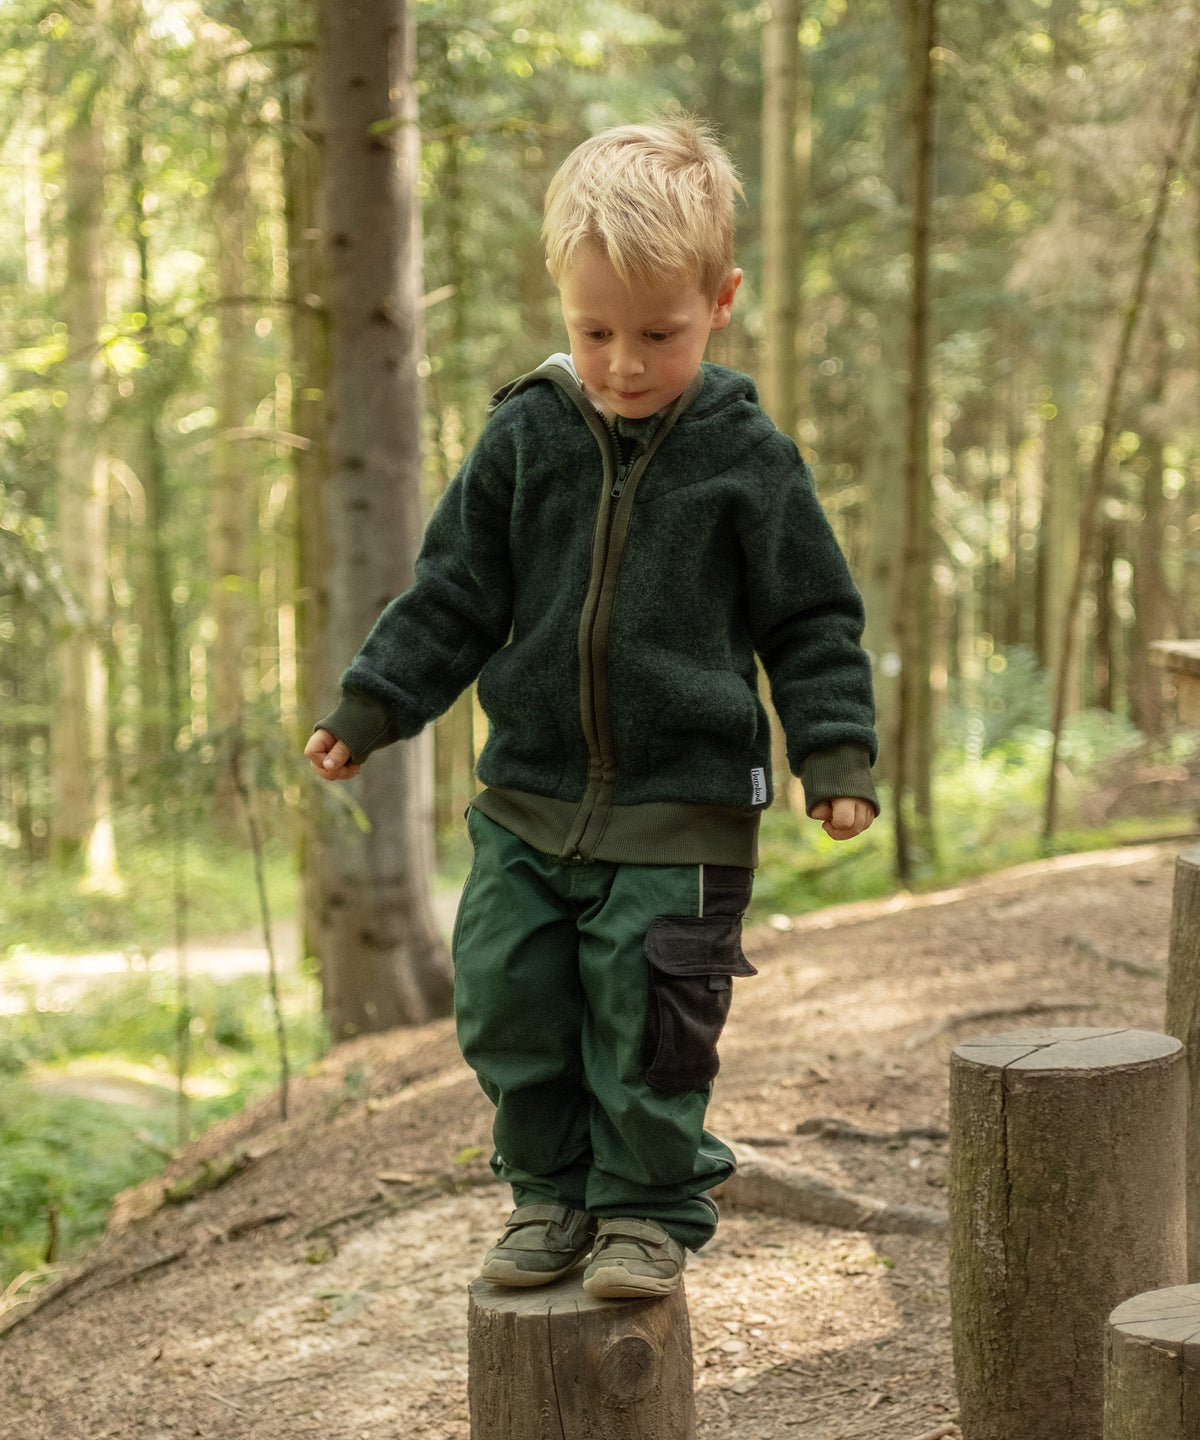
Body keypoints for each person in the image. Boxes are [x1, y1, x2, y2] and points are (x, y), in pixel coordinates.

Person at [305, 115, 878, 1301]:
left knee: (651, 1021)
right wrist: (371, 708)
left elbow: (811, 622)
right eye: (593, 330)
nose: (622, 362)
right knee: (510, 995)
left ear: (721, 300)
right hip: (529, 800)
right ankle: (549, 1195)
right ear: (560, 304)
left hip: (687, 813)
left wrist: (836, 754)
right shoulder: (526, 436)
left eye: (657, 334)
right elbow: (454, 595)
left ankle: (646, 1209)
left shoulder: (748, 459)